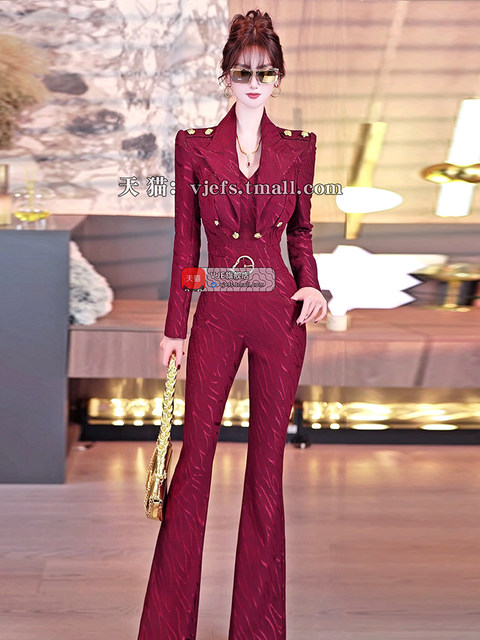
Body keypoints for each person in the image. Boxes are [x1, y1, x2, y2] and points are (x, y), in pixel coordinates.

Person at [137, 9, 328, 640]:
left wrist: (311, 283)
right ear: (225, 76)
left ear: (278, 79)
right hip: (217, 306)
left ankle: (258, 630)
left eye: (264, 72)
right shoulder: (194, 145)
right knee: (195, 463)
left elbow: (301, 233)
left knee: (266, 471)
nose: (253, 82)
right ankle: (167, 629)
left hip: (280, 314)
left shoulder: (299, 147)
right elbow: (184, 246)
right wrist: (176, 327)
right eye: (242, 72)